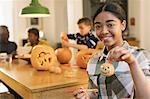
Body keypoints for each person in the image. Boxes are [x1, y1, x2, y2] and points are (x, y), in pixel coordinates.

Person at [73, 2, 150, 99]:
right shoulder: (93, 61)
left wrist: (132, 63)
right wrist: (87, 95)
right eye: (98, 26)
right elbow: (97, 92)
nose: (104, 31)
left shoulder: (140, 56)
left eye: (110, 25)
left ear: (123, 25)